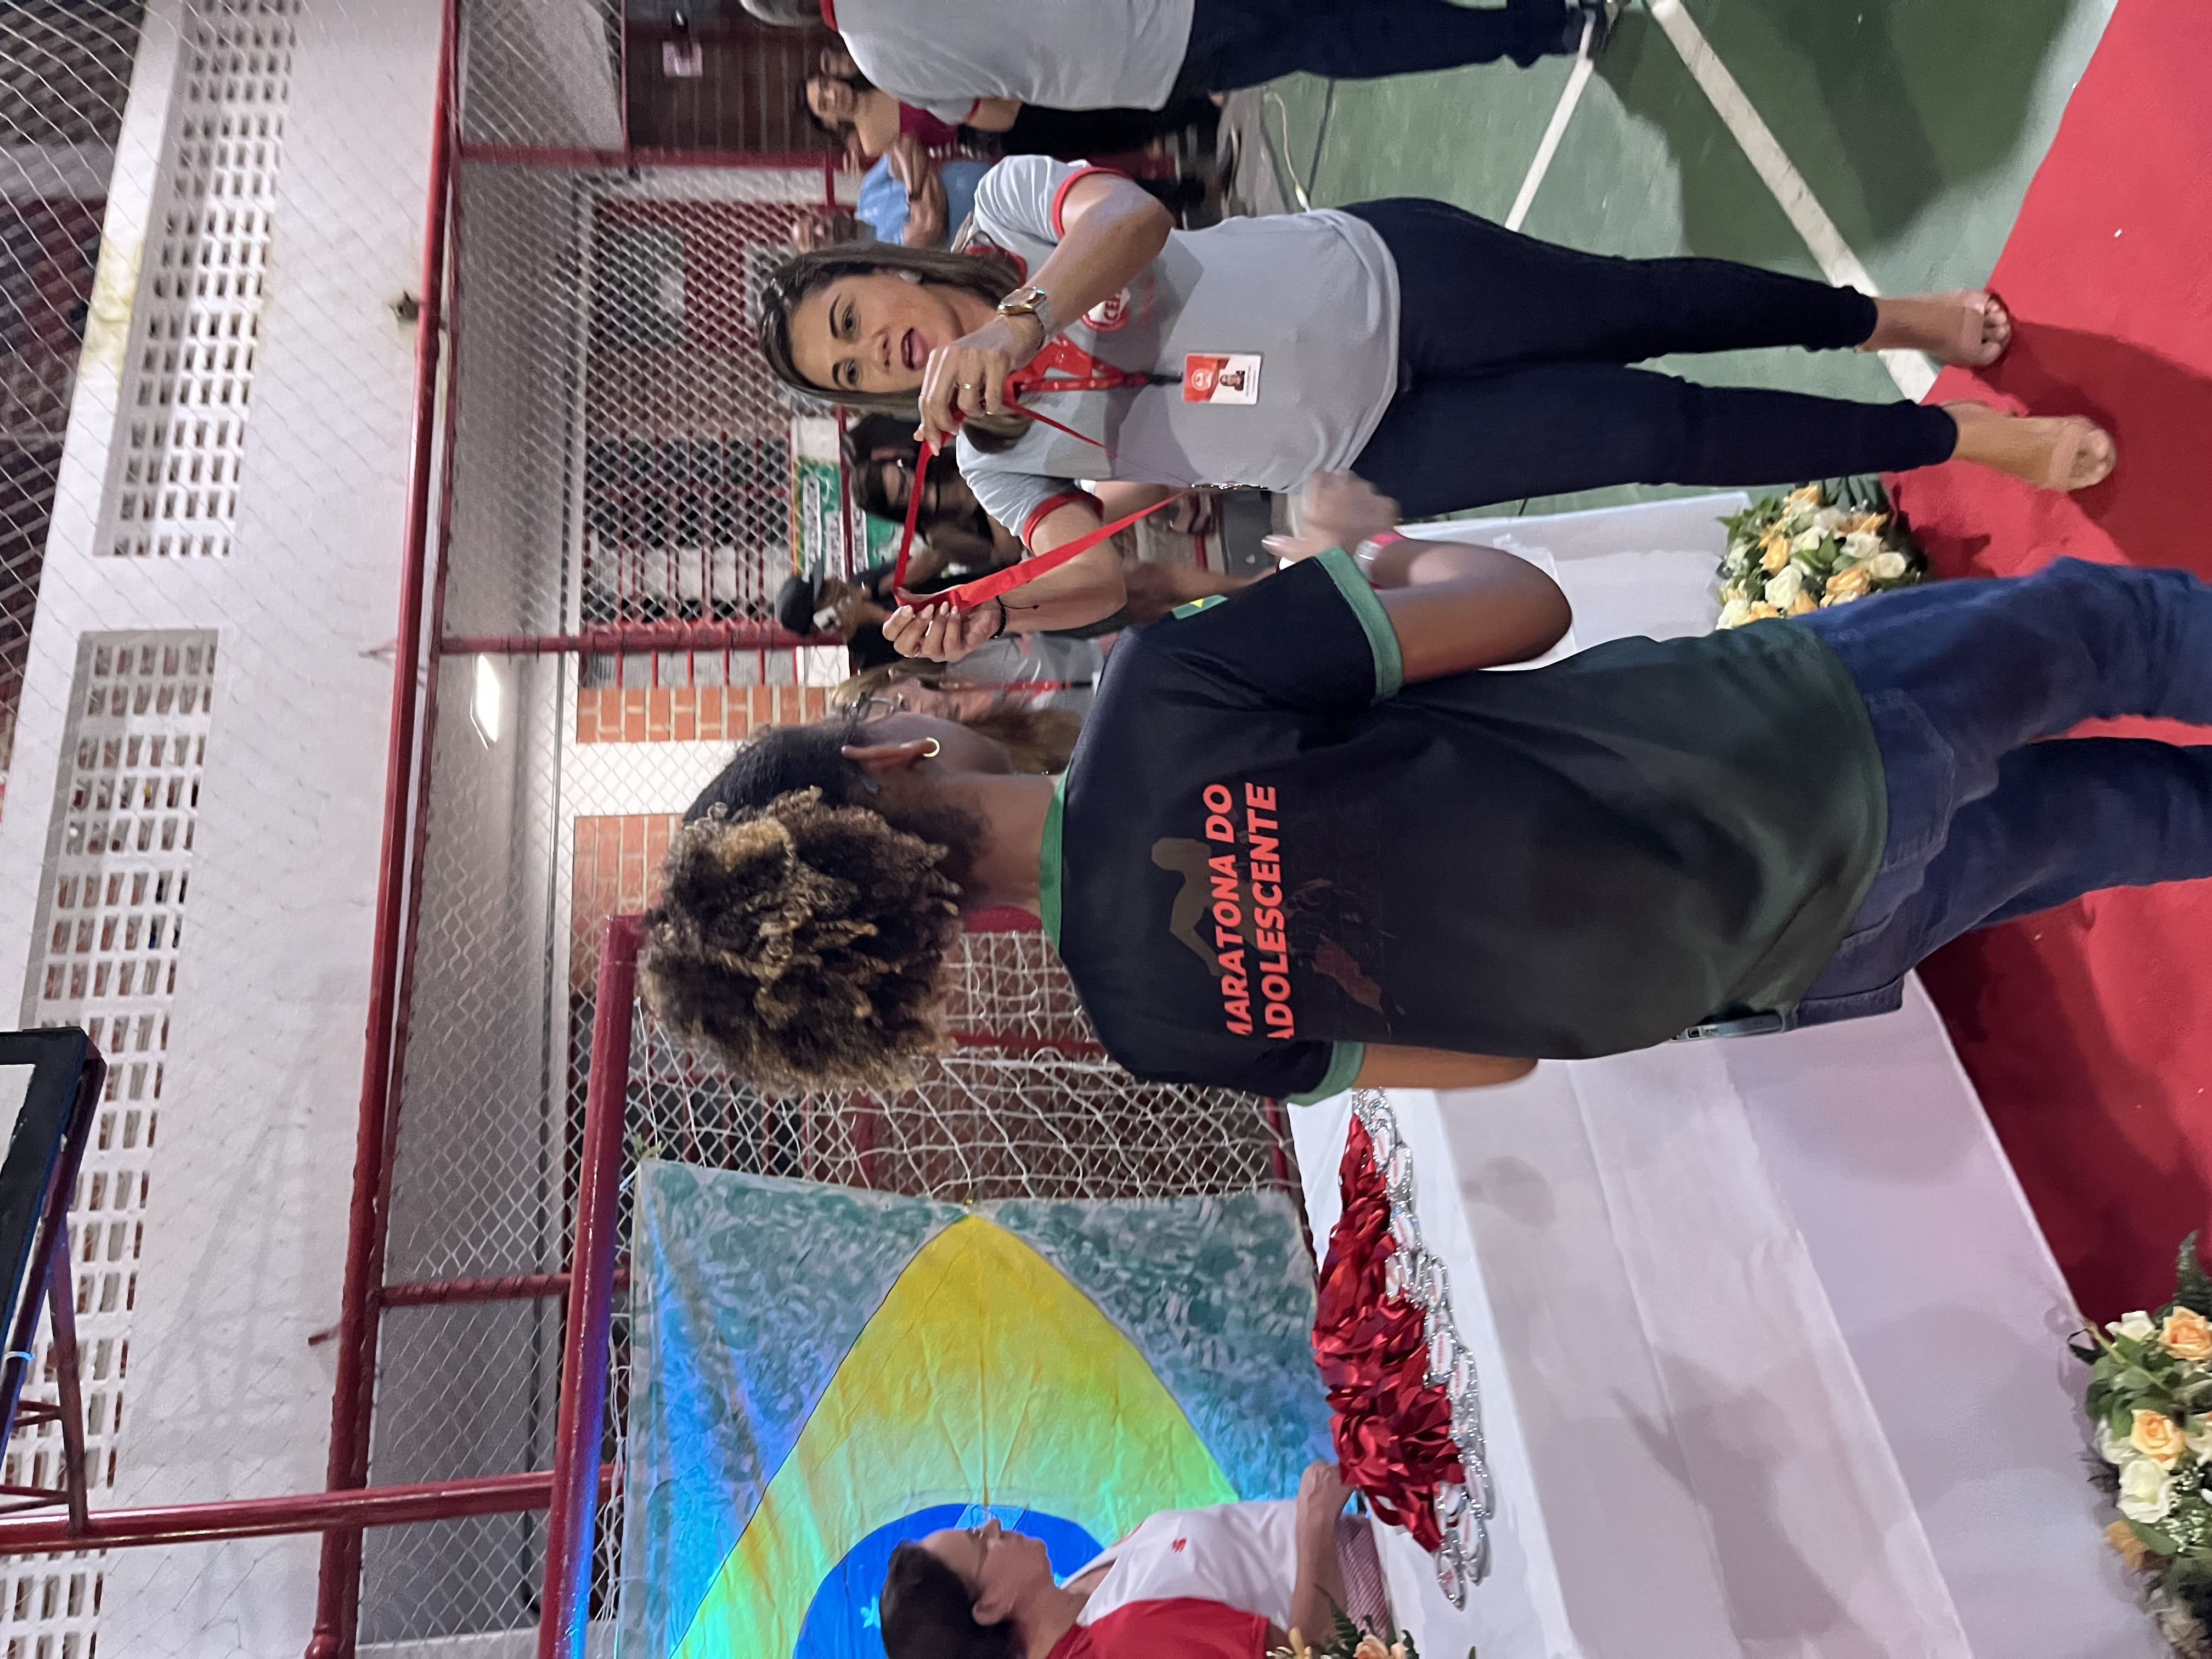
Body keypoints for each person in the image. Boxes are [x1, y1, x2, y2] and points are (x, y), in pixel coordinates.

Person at [641, 471, 2212, 1102]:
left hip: (1775, 954)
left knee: (2118, 822)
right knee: (2107, 632)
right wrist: (1355, 541)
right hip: (1776, 760)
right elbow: (1525, 603)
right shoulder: (1157, 704)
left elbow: (1492, 1066)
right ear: (891, 757)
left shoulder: (1149, 1029)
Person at [754, 160, 2115, 658]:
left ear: (883, 268)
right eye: (853, 372)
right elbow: (1105, 575)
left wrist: (1024, 316)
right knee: (1661, 435)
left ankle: (1890, 321)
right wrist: (998, 613)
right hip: (1382, 446)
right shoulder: (1000, 471)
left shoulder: (1004, 217)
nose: (880, 352)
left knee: (1649, 304)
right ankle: (1954, 437)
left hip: (1396, 277)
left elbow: (1134, 219)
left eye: (856, 320)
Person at [742, 0, 1613, 124]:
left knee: (1335, 43)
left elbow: (999, 114)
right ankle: (1542, 21)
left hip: (1136, 77)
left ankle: (1545, 31)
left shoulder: (882, 65)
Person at [877, 1463, 1382, 1659]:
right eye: (979, 1542)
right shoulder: (1127, 1641)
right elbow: (1313, 1656)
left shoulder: (1070, 1598)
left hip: (1378, 1535)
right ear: (989, 1608)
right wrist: (1315, 1523)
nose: (991, 1525)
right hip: (1395, 1593)